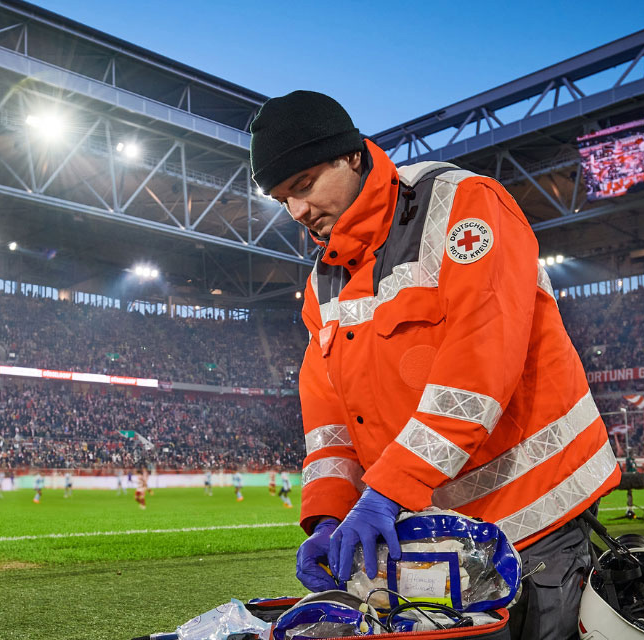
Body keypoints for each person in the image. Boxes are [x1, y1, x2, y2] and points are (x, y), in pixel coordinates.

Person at [248, 90, 620, 640]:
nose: (297, 212)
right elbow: (330, 416)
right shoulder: (322, 281)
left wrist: (388, 490)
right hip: (434, 524)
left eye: (303, 186)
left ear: (350, 155)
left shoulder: (463, 207)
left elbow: (479, 366)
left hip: (533, 511)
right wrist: (329, 509)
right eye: (283, 199)